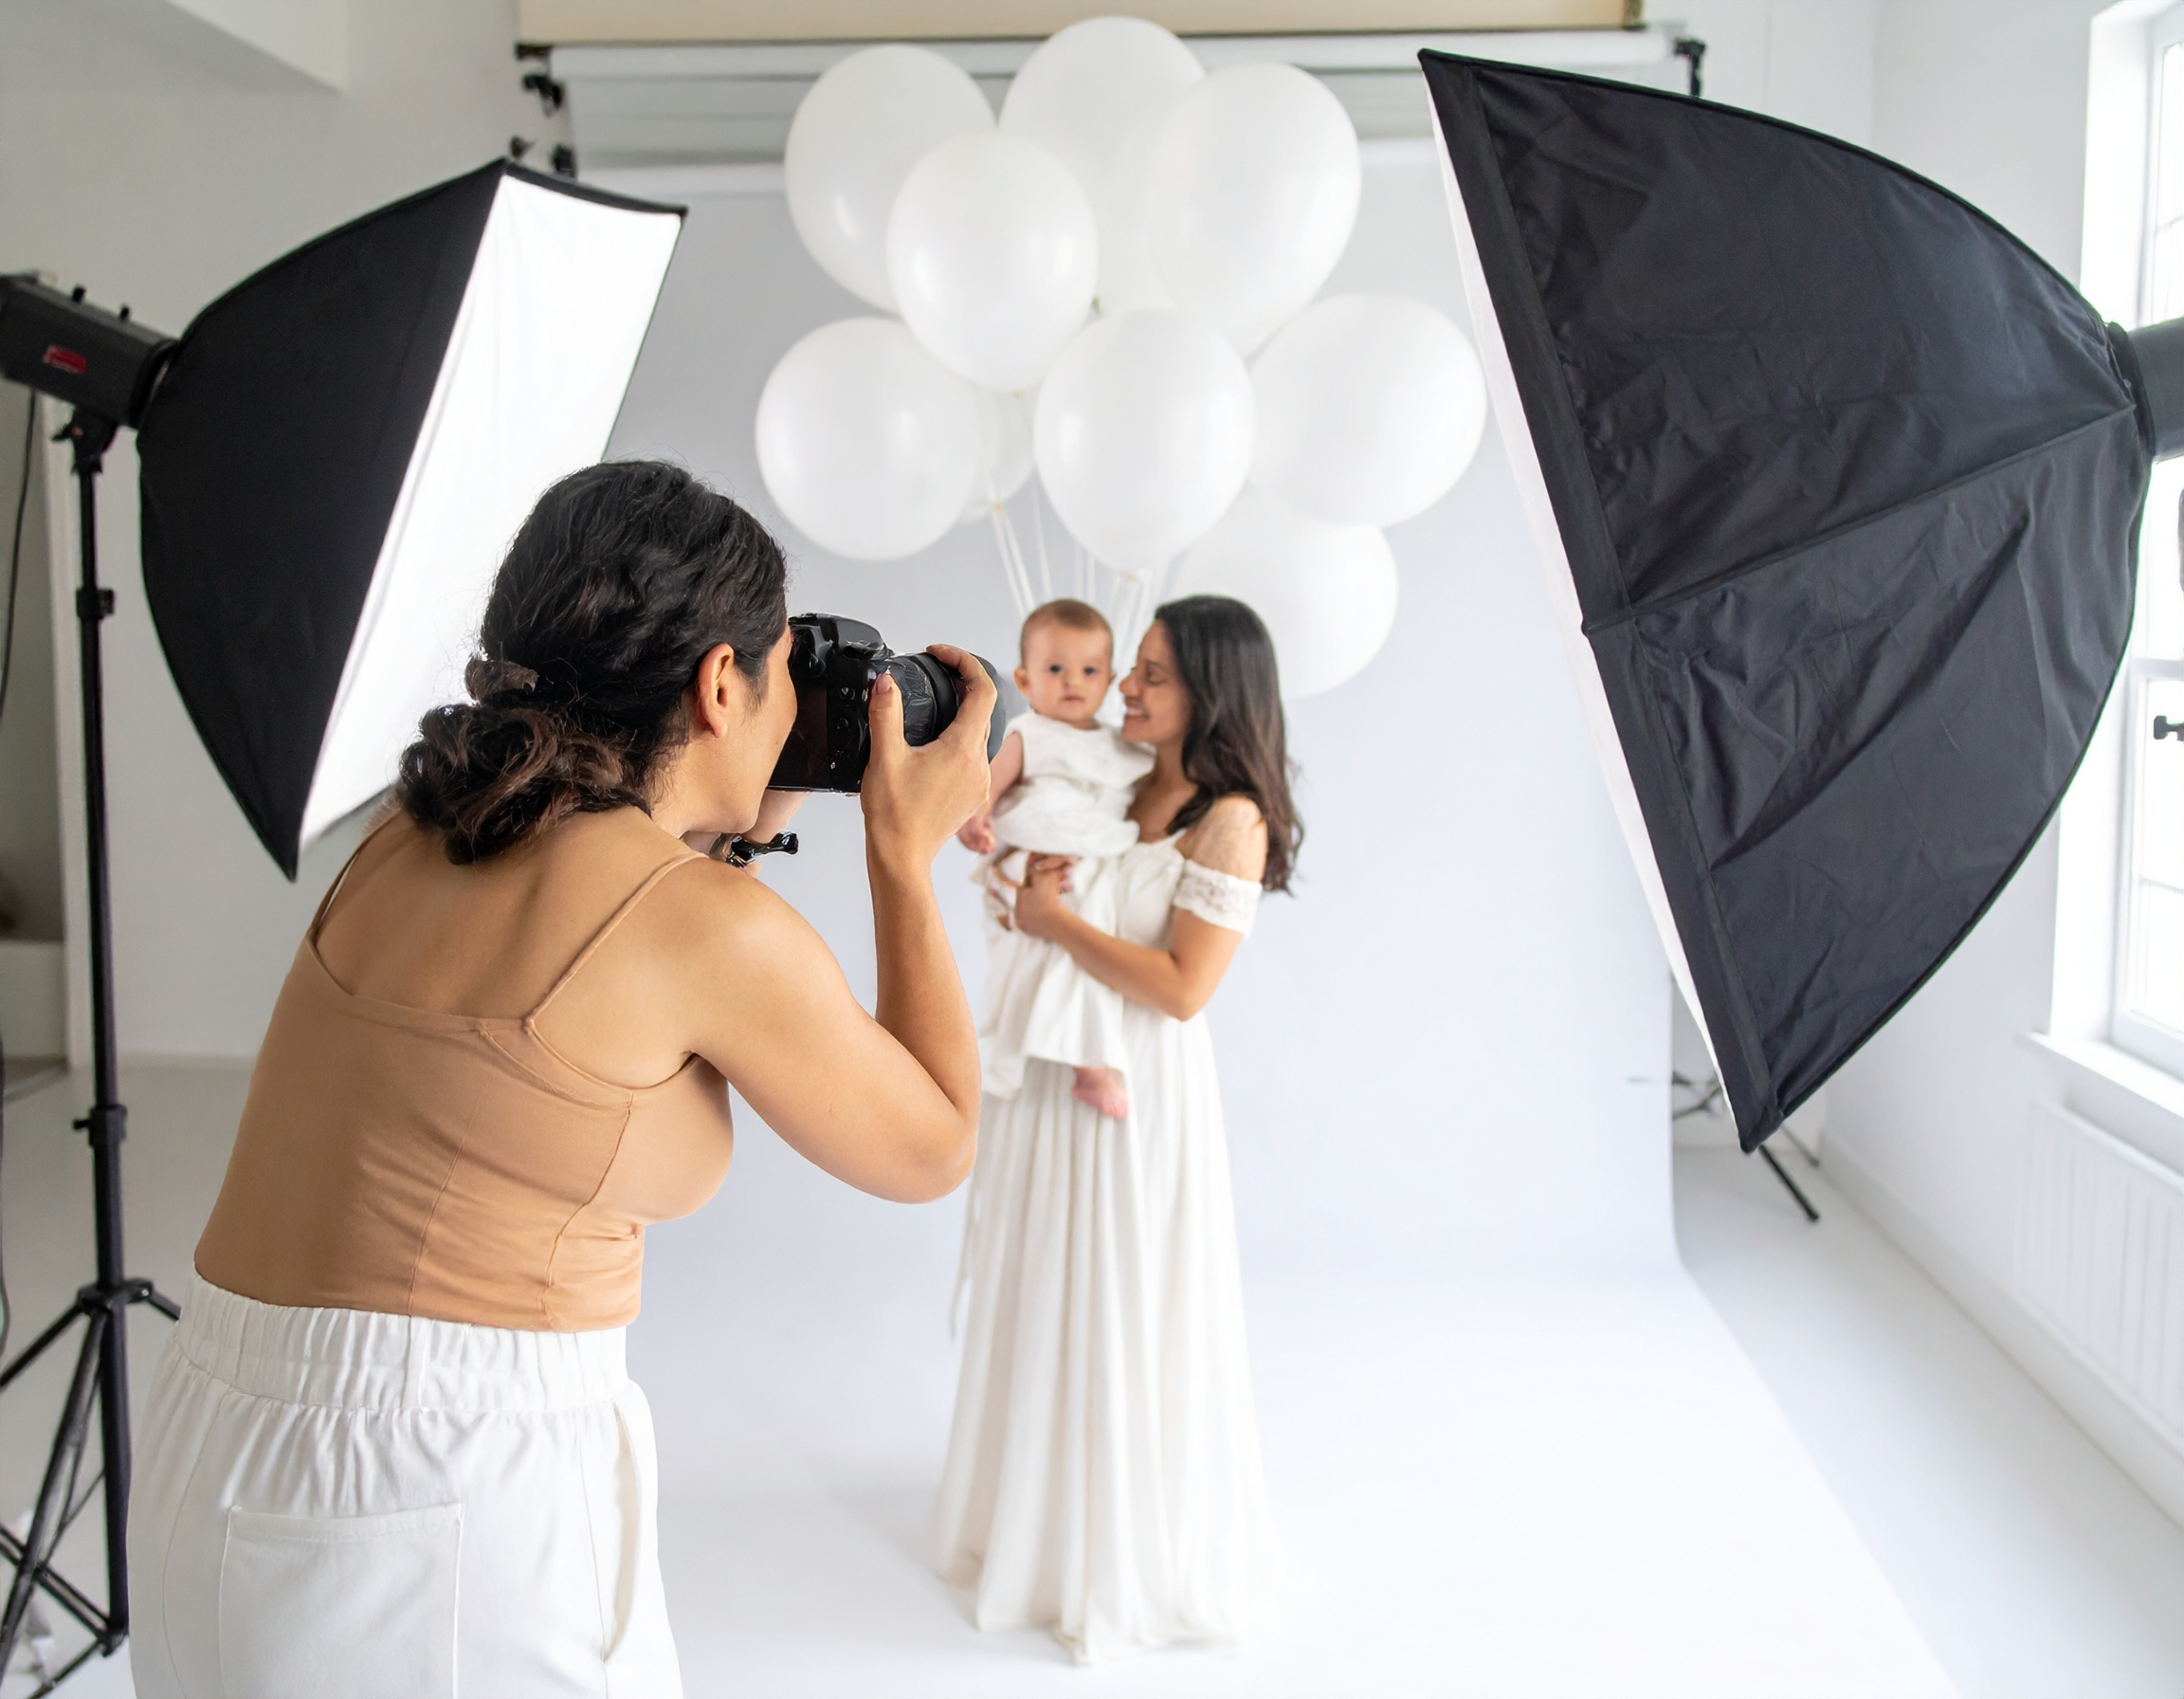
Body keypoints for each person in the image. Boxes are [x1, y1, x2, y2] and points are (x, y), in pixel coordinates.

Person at [126, 461, 993, 1699]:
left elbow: (614, 951)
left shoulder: (411, 831)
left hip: (221, 1444)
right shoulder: (698, 929)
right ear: (717, 683)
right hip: (438, 1492)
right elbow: (936, 1145)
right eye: (778, 671)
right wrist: (903, 857)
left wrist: (738, 810)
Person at [934, 594, 1302, 1665]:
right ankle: (1039, 1529)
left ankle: (1119, 1544)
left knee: (1125, 1295)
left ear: (1212, 695)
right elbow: (1029, 866)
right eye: (1131, 667)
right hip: (1059, 1067)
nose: (1125, 690)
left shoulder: (1230, 818)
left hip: (1142, 1087)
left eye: (1152, 674)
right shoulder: (1124, 778)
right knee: (1046, 1281)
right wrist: (1016, 892)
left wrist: (1054, 919)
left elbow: (1184, 988)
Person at [957, 597, 1154, 1121]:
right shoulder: (1030, 734)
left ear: (1110, 677)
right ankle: (1089, 1066)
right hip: (1038, 849)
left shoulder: (1123, 746)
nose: (1074, 681)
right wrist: (976, 819)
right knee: (1063, 933)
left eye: (1089, 670)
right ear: (1024, 677)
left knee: (1090, 938)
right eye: (1055, 669)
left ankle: (1079, 1052)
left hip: (1093, 853)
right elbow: (985, 787)